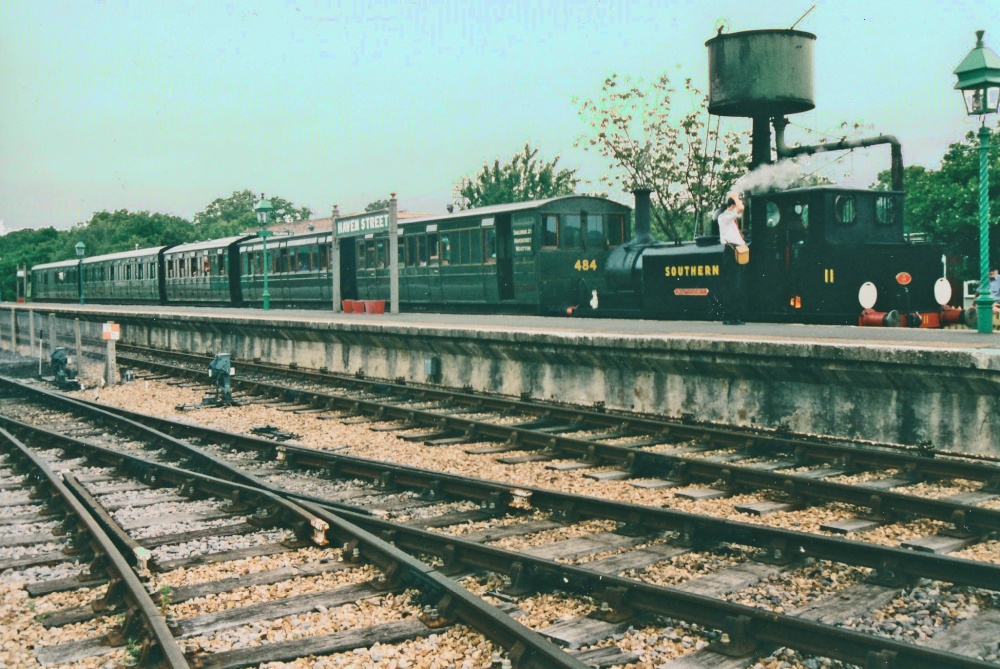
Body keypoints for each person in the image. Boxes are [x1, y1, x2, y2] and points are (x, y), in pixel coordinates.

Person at [717, 191, 748, 325]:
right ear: (731, 207)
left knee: (737, 285)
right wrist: (734, 196)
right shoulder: (725, 216)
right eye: (734, 206)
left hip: (737, 251)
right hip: (731, 251)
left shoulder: (731, 220)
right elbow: (741, 208)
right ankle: (729, 316)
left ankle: (735, 316)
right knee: (731, 285)